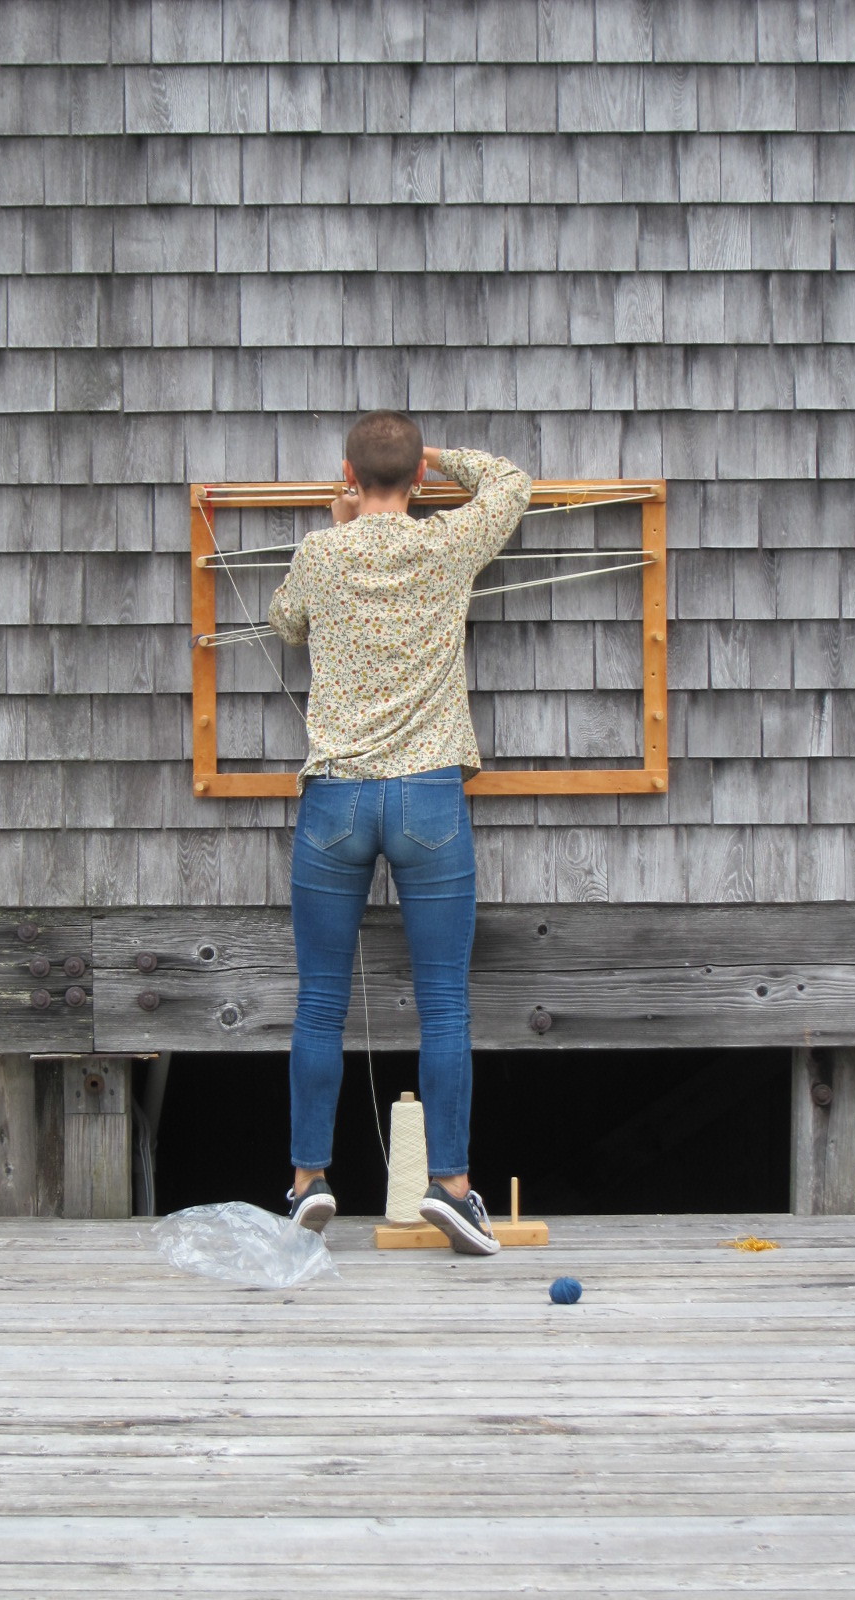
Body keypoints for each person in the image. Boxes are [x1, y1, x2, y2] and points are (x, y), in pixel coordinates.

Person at [266, 410, 532, 1255]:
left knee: (319, 999)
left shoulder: (319, 553)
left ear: (348, 474)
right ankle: (450, 1187)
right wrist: (438, 457)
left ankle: (311, 1179)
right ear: (418, 478)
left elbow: (284, 623)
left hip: (336, 800)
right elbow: (511, 483)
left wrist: (337, 528)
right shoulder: (448, 544)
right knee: (445, 1002)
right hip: (426, 797)